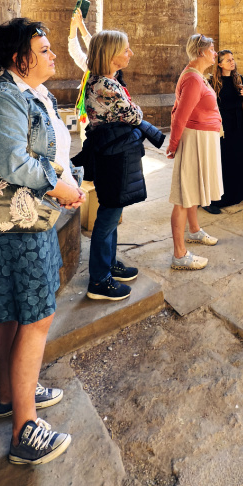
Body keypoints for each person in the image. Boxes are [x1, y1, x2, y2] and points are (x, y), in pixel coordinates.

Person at [0, 18, 86, 466]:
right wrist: (61, 189)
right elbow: (13, 162)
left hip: (34, 217)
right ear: (20, 58)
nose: (54, 54)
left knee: (15, 311)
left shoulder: (34, 95)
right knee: (36, 318)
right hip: (19, 224)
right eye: (45, 49)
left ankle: (9, 394)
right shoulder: (3, 98)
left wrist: (69, 181)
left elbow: (54, 153)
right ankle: (24, 430)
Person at [73, 31, 164, 301]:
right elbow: (135, 114)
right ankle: (99, 281)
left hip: (116, 153)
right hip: (112, 156)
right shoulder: (105, 86)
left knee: (112, 213)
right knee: (108, 216)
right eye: (126, 49)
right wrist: (135, 111)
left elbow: (132, 113)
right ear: (111, 54)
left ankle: (109, 264)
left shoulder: (109, 81)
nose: (130, 53)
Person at [166, 34, 223, 269]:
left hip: (202, 138)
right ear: (201, 52)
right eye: (212, 49)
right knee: (183, 195)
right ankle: (179, 255)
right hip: (194, 139)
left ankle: (194, 230)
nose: (215, 53)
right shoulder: (192, 79)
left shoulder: (198, 75)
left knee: (193, 189)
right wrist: (173, 145)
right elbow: (181, 115)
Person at [205, 50, 243, 214]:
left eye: (233, 59)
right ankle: (220, 197)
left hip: (237, 124)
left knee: (238, 157)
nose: (232, 62)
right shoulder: (212, 82)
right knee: (224, 160)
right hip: (223, 126)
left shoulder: (238, 79)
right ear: (220, 64)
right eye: (228, 60)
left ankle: (239, 192)